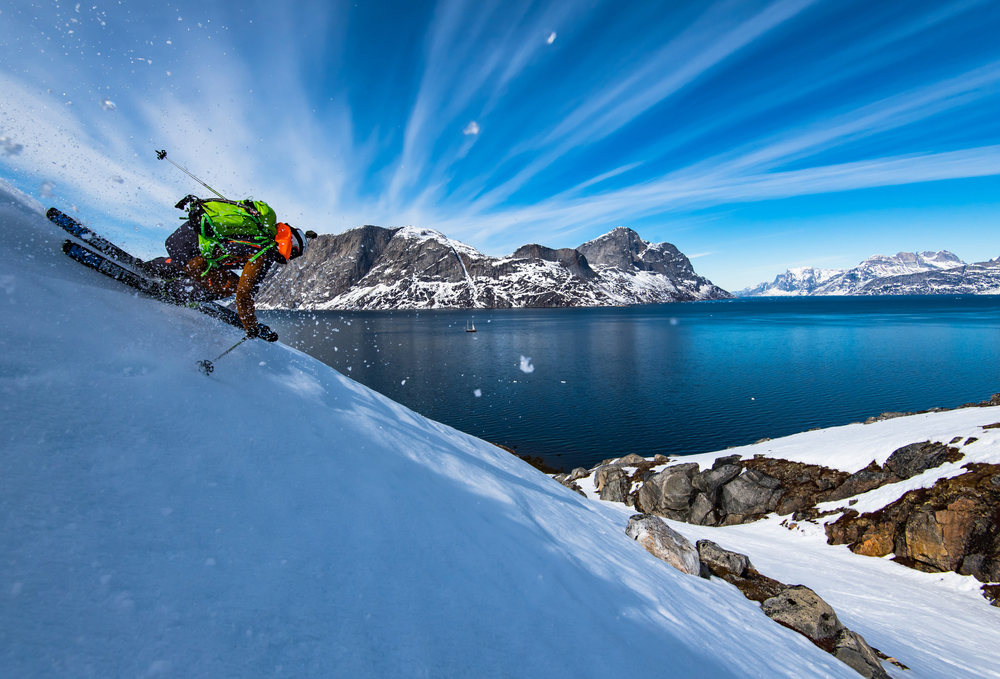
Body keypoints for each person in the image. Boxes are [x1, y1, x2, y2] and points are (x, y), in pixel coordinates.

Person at [149, 194, 316, 341]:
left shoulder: (258, 228)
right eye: (293, 255)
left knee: (209, 266)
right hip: (189, 251)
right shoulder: (264, 252)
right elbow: (244, 293)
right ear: (292, 249)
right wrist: (250, 326)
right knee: (231, 286)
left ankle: (153, 267)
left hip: (182, 238)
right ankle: (174, 293)